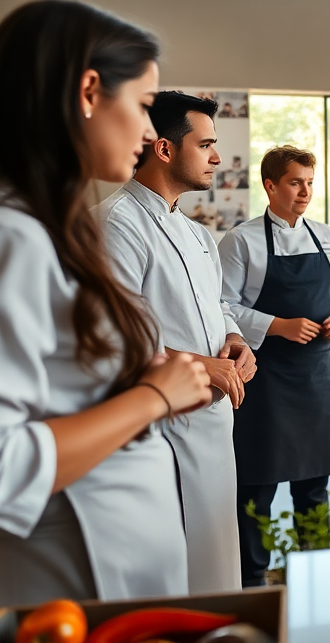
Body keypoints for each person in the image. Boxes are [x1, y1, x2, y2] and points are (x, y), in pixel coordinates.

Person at [0, 0, 212, 643]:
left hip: (93, 575)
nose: (147, 132)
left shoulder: (40, 227)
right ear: (88, 91)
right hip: (54, 584)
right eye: (141, 105)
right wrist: (151, 397)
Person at [94, 90, 257, 593]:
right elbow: (109, 336)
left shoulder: (197, 233)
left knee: (216, 561)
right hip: (158, 425)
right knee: (171, 577)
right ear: (165, 149)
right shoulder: (115, 224)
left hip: (211, 422)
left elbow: (217, 306)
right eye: (206, 144)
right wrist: (199, 366)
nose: (217, 158)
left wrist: (232, 339)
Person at [218, 145, 330, 587]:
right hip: (265, 378)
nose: (305, 192)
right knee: (257, 485)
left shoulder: (327, 235)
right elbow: (220, 306)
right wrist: (275, 325)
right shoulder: (241, 240)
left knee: (314, 485)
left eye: (310, 183)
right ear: (270, 185)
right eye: (295, 182)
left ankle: (314, 570)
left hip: (318, 374)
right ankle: (253, 578)